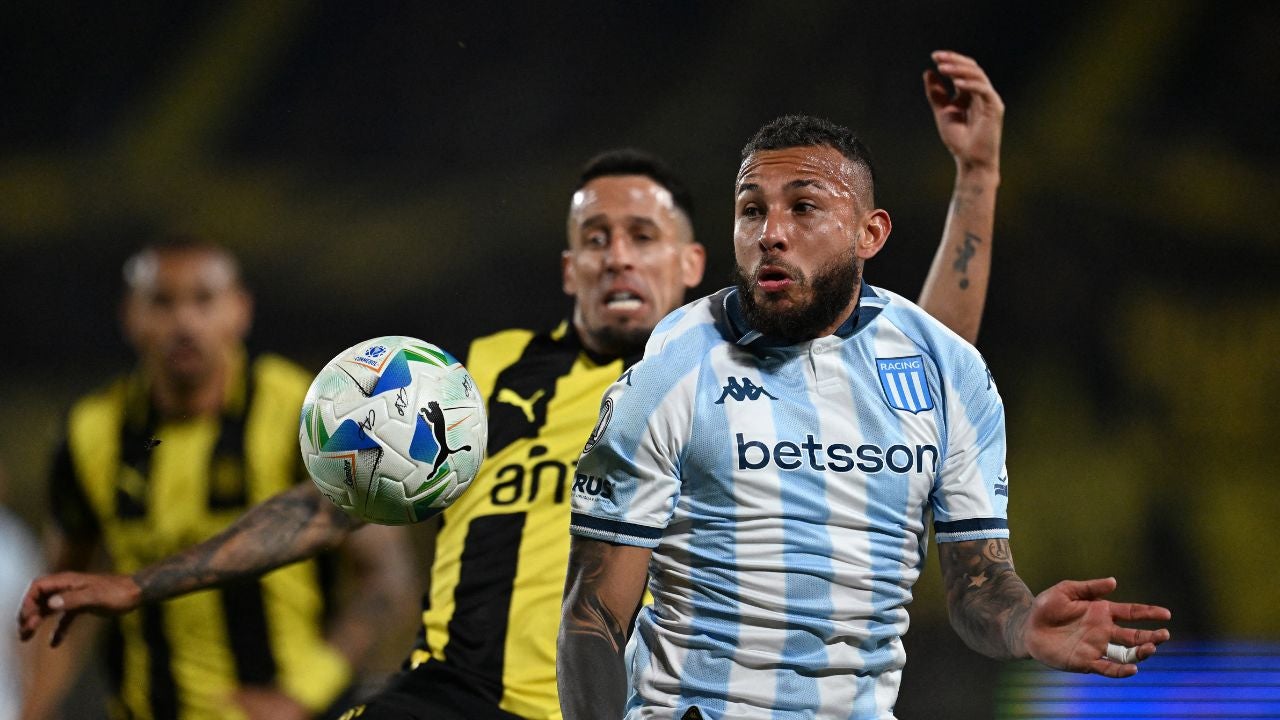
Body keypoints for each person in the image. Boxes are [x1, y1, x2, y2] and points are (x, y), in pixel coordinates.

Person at [21, 50, 1005, 720]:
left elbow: (925, 361)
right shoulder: (478, 372)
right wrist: (140, 583)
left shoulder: (744, 369)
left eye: (641, 236)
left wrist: (974, 181)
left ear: (695, 261)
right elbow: (331, 508)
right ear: (567, 266)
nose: (616, 255)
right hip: (450, 698)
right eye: (592, 238)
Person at [556, 86, 1171, 720]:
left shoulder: (946, 370)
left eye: (803, 208)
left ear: (869, 234)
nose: (771, 234)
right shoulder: (674, 370)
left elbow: (978, 583)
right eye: (750, 210)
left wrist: (1022, 624)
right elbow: (594, 612)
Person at [19, 240, 417, 720]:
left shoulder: (308, 416)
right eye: (162, 302)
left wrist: (303, 695)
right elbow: (60, 598)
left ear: (239, 310)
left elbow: (386, 578)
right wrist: (34, 709)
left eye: (203, 300)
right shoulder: (91, 432)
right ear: (130, 316)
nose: (184, 323)